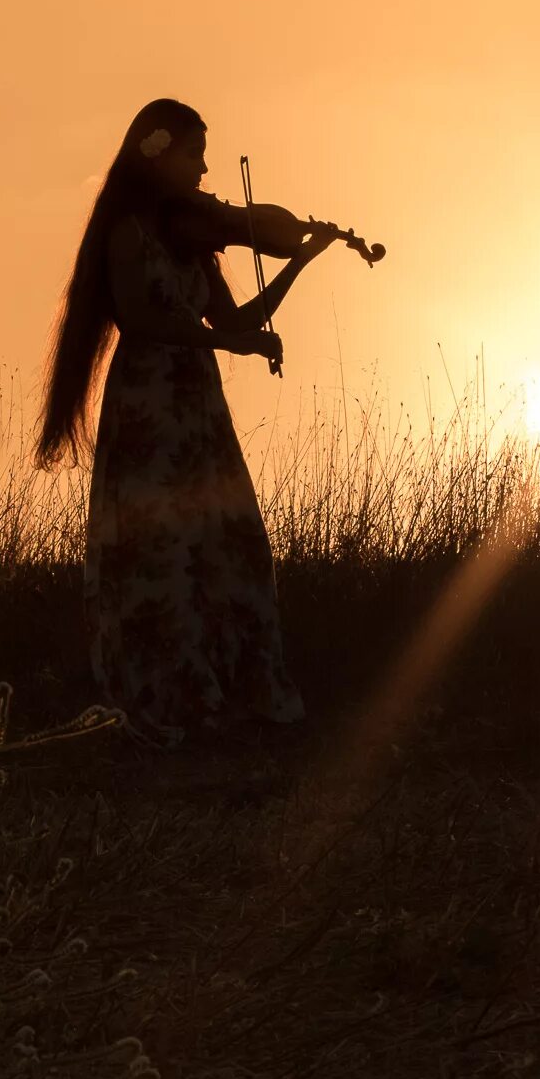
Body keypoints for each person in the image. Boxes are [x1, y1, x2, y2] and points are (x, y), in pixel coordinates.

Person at [35, 98, 344, 746]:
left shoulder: (197, 240)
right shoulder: (128, 232)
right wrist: (228, 347)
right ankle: (170, 693)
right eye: (194, 153)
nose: (205, 169)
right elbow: (144, 322)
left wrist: (298, 262)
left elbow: (235, 324)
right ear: (157, 151)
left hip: (198, 408)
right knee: (161, 554)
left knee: (229, 541)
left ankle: (233, 686)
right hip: (150, 402)